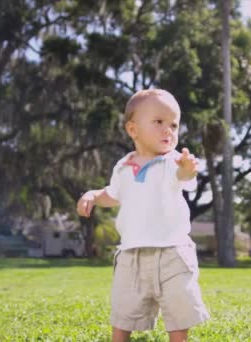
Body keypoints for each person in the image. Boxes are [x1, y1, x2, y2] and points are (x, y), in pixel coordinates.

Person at [77, 89, 209, 342]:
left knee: (178, 311)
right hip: (131, 254)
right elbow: (114, 194)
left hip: (172, 253)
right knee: (123, 311)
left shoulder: (174, 163)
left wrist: (188, 170)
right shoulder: (123, 166)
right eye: (159, 122)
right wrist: (94, 195)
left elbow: (185, 179)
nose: (168, 130)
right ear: (133, 129)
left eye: (173, 124)